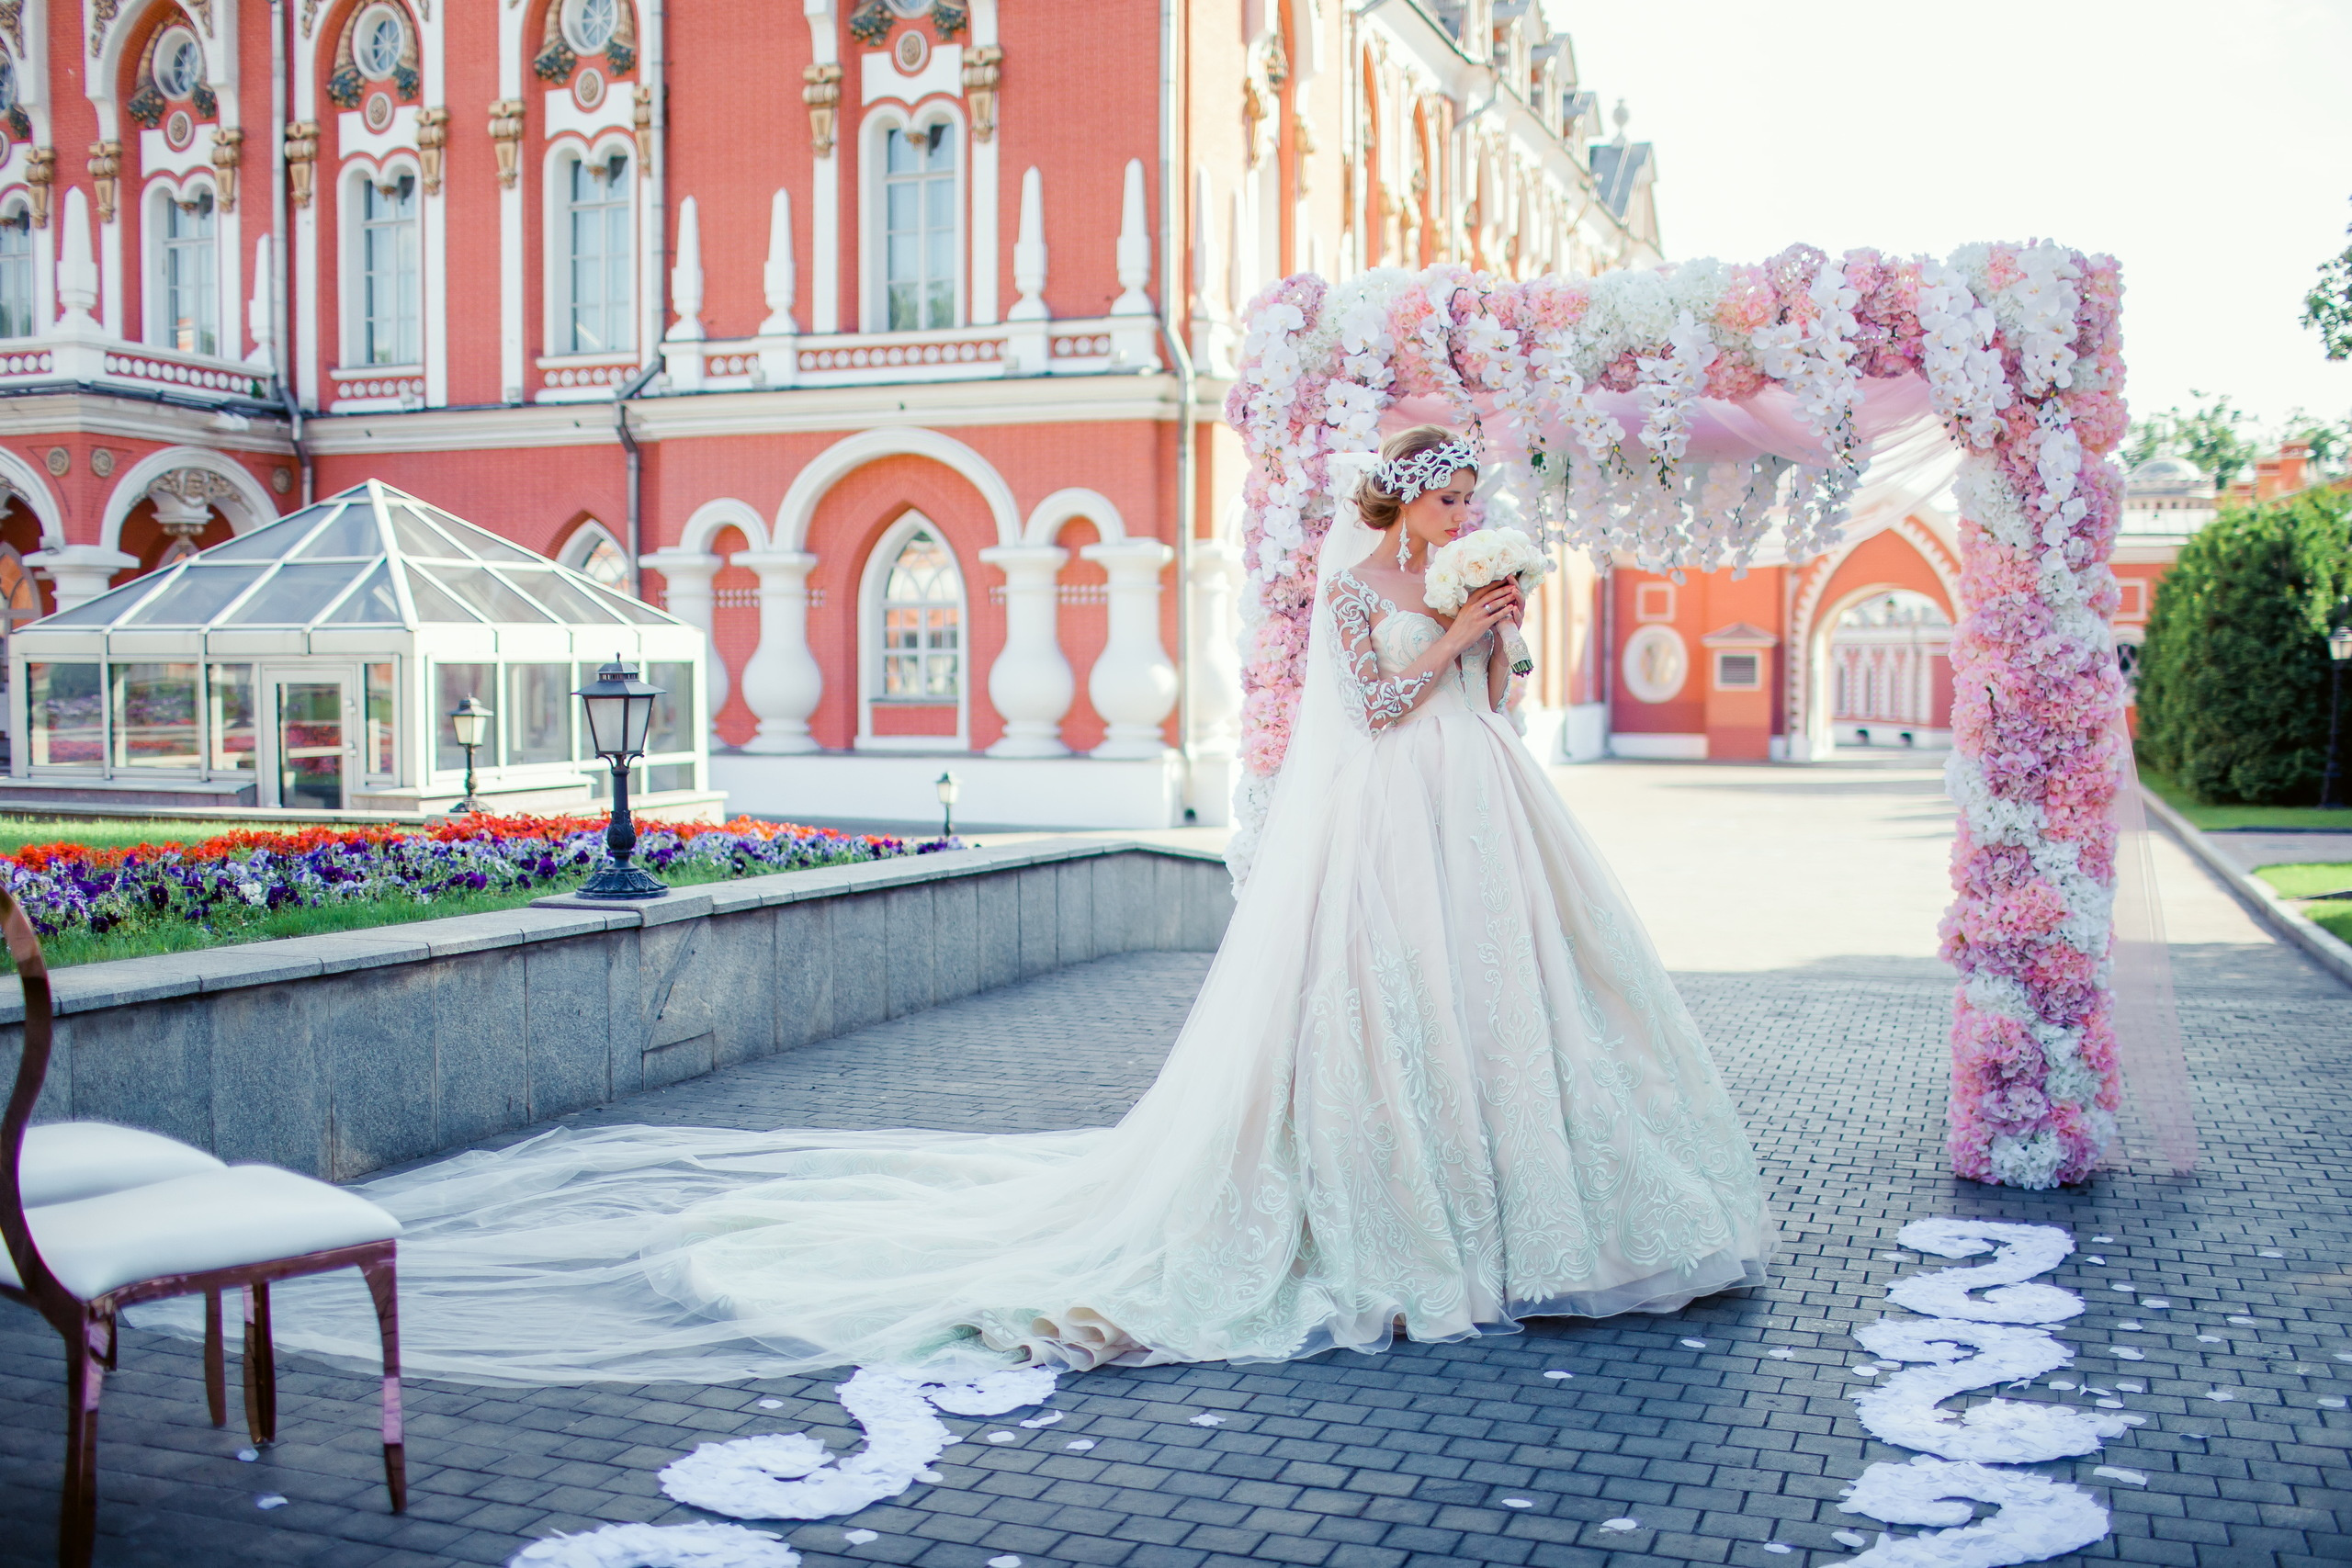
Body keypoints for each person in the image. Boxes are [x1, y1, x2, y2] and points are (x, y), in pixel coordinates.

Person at [206, 426, 1774, 1385]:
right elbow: (1369, 704)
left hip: (1477, 819)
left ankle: (1532, 1215)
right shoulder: (1356, 588)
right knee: (1393, 1016)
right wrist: (1446, 628)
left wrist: (1500, 631)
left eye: (1465, 504)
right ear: (1408, 508)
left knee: (1506, 1008)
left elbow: (1481, 702)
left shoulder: (1458, 586)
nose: (1457, 515)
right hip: (1387, 821)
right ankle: (1407, 1215)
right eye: (1444, 503)